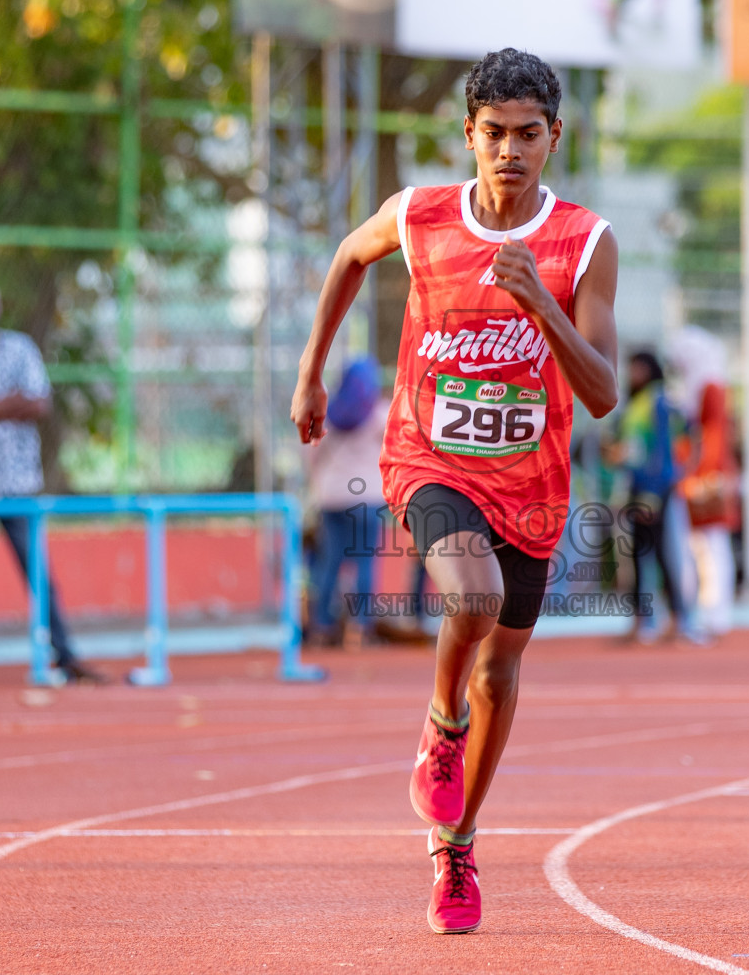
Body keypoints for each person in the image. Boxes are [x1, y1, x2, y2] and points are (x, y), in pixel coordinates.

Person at [291, 49, 618, 934]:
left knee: (503, 675)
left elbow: (601, 392)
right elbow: (349, 258)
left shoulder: (582, 241)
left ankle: (457, 845)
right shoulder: (422, 215)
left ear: (555, 137)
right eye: (494, 134)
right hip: (426, 460)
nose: (510, 150)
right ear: (469, 135)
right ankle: (441, 725)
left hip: (534, 484)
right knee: (467, 597)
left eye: (528, 135)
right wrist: (312, 371)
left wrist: (541, 305)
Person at [0, 279, 104, 687]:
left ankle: (65, 654)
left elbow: (38, 404)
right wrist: (10, 402)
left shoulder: (21, 349)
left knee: (37, 571)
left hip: (16, 480)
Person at [306, 356, 388, 648]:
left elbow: (313, 454)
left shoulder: (329, 413)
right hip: (368, 497)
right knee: (366, 562)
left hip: (331, 497)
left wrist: (316, 486)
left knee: (329, 562)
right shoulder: (380, 414)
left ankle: (321, 627)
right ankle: (359, 629)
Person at [612, 351, 689, 644]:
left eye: (638, 367)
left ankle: (677, 619)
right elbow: (630, 446)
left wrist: (664, 483)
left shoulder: (659, 400)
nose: (633, 373)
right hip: (635, 485)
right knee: (637, 553)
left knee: (659, 553)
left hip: (653, 489)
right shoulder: (634, 402)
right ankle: (642, 620)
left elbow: (673, 441)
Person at [669, 326, 737, 634]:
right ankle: (704, 610)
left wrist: (700, 471)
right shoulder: (700, 386)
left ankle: (715, 612)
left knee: (710, 545)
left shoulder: (710, 387)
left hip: (707, 474)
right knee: (700, 546)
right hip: (700, 472)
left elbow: (712, 437)